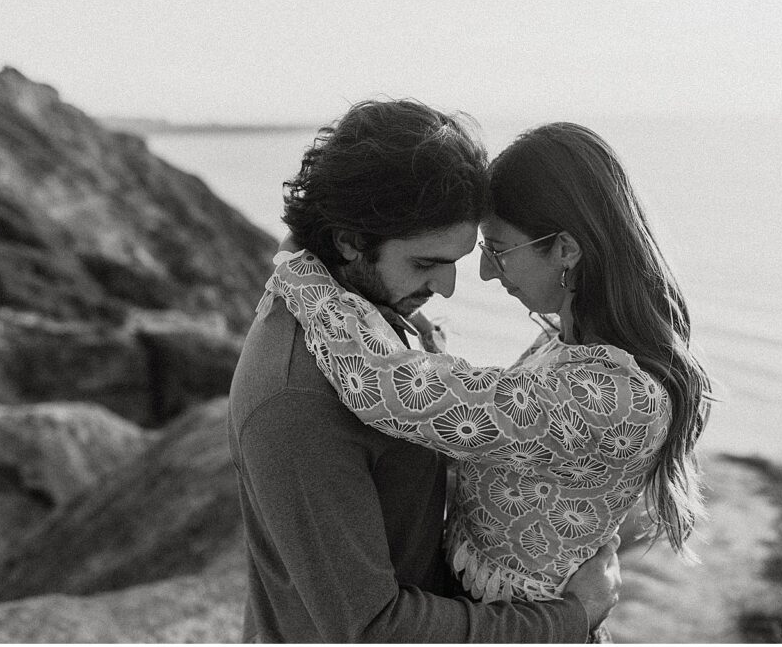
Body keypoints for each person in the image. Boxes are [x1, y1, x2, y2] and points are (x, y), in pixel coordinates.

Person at [265, 121, 713, 633]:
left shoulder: (615, 396)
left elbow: (385, 390)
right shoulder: (568, 343)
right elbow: (505, 430)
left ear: (565, 248)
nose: (485, 274)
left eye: (497, 251)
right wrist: (423, 342)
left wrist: (299, 267)